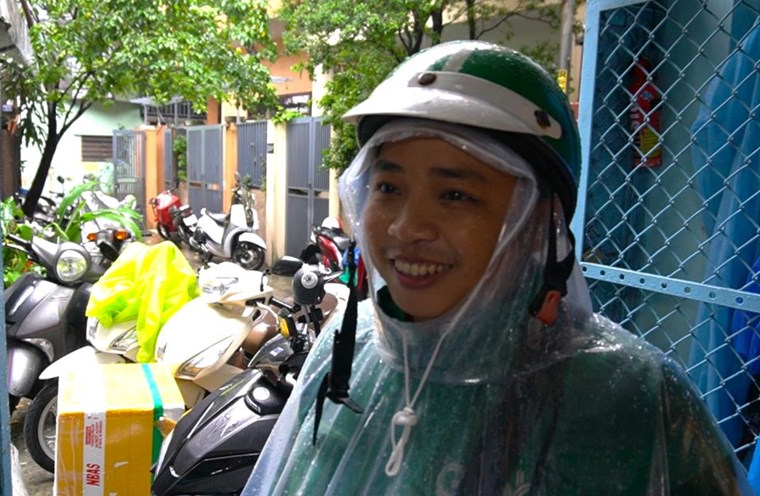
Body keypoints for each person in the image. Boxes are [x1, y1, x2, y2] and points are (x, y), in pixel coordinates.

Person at [242, 40, 752, 495]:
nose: (405, 227)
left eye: (455, 195)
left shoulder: (627, 395)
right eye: (388, 187)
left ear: (537, 222)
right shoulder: (347, 350)